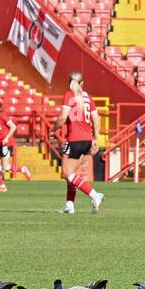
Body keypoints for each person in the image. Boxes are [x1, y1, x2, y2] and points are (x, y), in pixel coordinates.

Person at [53, 71, 103, 214]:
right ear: (82, 83)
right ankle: (69, 205)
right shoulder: (88, 97)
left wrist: (53, 129)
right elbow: (96, 117)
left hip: (74, 138)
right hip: (87, 139)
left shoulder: (69, 95)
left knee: (66, 173)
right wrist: (95, 138)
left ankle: (94, 195)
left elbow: (63, 117)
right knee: (72, 173)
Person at [0, 100, 28, 192]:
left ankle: (22, 169)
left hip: (6, 143)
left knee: (6, 167)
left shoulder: (2, 116)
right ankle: (2, 186)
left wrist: (6, 138)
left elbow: (13, 126)